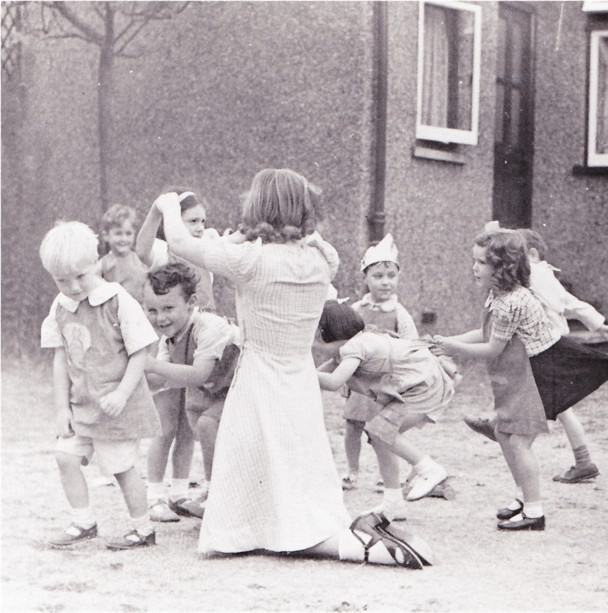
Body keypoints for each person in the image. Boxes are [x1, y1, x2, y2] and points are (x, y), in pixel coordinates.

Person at [149, 168, 431, 568]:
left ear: (258, 209)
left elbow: (178, 241)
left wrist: (166, 206)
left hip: (259, 372)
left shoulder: (250, 260)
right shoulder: (323, 257)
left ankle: (355, 546)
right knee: (295, 460)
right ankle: (310, 532)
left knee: (249, 456)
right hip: (298, 373)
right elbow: (307, 237)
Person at [431, 229, 608, 531]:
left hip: (537, 373)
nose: (474, 268)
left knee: (518, 440)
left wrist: (452, 347)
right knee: (505, 434)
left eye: (481, 262)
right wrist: (445, 340)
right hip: (522, 372)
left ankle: (535, 513)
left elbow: (492, 348)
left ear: (502, 268)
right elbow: (488, 335)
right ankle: (524, 497)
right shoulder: (498, 296)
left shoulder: (512, 301)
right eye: (475, 261)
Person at [463, 227, 608, 484]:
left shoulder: (537, 273)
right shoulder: (522, 282)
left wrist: (597, 324)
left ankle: (507, 430)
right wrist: (597, 323)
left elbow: (566, 301)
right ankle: (581, 460)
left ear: (530, 254)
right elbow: (567, 303)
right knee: (556, 406)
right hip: (538, 346)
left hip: (542, 348)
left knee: (542, 407)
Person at [39, 221, 161, 550]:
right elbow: (60, 359)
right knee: (65, 457)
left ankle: (143, 529)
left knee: (121, 468)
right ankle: (83, 521)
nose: (73, 286)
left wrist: (122, 393)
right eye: (62, 280)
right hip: (82, 406)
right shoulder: (60, 306)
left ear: (96, 262)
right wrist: (62, 408)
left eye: (80, 276)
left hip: (116, 407)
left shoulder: (118, 300)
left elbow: (140, 353)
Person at [317, 301, 455, 519]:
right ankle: (393, 503)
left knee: (379, 431)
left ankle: (429, 469)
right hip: (421, 380)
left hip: (423, 384)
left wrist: (301, 372)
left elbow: (334, 381)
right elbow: (320, 374)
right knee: (379, 435)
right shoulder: (357, 343)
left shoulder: (354, 347)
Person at [143, 262, 239, 519]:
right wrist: (131, 367)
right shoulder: (168, 339)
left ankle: (214, 492)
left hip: (244, 388)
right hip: (214, 392)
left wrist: (151, 364)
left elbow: (198, 374)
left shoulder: (209, 326)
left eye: (168, 308)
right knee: (197, 418)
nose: (160, 318)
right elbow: (164, 380)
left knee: (207, 424)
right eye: (151, 310)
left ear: (191, 302)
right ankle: (218, 492)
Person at [339, 234, 419, 493]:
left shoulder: (399, 313)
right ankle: (352, 470)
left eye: (390, 276)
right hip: (359, 379)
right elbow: (344, 342)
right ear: (365, 278)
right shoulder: (357, 310)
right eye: (378, 276)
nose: (385, 282)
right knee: (353, 425)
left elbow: (412, 345)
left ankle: (389, 475)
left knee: (382, 431)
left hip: (385, 384)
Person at [137, 188, 218, 310]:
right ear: (173, 223)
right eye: (193, 221)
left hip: (205, 324)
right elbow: (142, 252)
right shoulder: (165, 252)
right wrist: (155, 211)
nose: (200, 228)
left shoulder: (204, 250)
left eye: (203, 222)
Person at [98, 204, 149, 303]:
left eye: (128, 234)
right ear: (106, 236)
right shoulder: (104, 263)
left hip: (141, 309)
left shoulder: (140, 259)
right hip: (117, 311)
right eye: (118, 233)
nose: (124, 239)